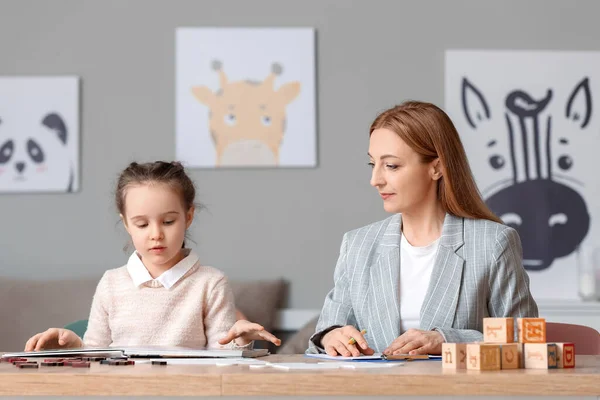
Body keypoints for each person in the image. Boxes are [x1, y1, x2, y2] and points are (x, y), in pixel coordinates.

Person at [307, 101, 538, 357]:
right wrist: (331, 336)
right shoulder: (358, 244)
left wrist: (448, 340)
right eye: (373, 164)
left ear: (436, 167)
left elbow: (524, 339)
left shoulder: (493, 242)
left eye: (391, 166)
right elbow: (325, 333)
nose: (375, 180)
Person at [25, 161, 280, 351]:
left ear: (188, 217)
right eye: (142, 224)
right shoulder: (112, 283)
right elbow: (95, 357)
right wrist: (73, 346)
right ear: (126, 224)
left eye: (168, 221)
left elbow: (221, 361)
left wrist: (240, 339)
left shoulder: (211, 283)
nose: (156, 234)